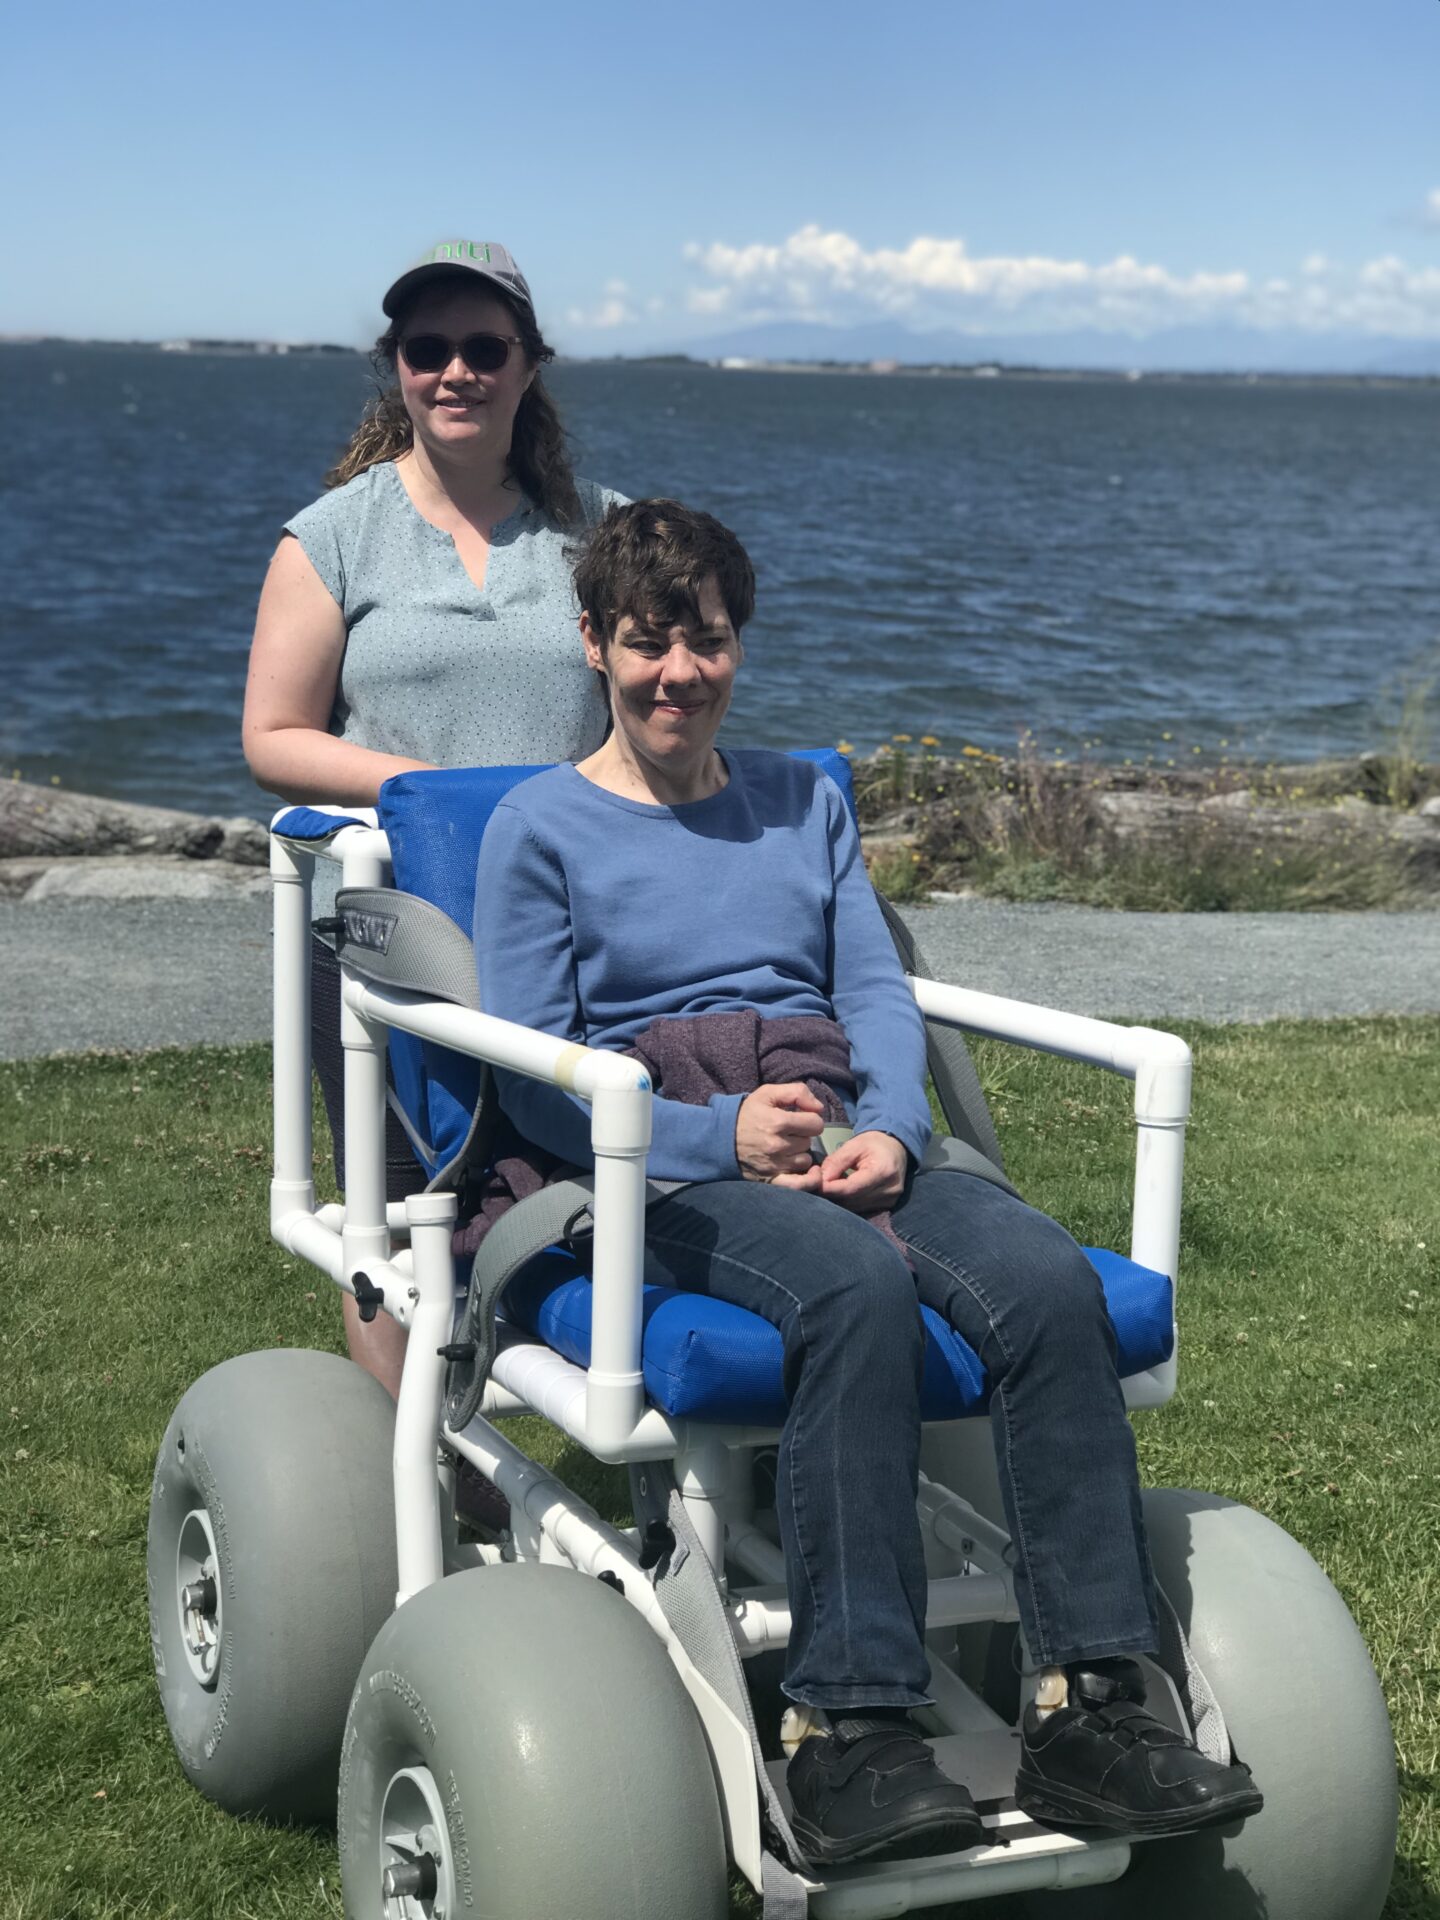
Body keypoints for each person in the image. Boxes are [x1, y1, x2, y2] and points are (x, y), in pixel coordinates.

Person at [473, 500, 1264, 1867]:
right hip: (652, 1156)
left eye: (706, 642)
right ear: (595, 645)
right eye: (648, 643)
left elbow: (872, 993)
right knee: (847, 1292)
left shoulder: (805, 804)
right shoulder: (538, 827)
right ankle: (850, 1732)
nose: (679, 674)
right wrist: (723, 1139)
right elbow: (541, 1075)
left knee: (1043, 1282)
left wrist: (891, 1129)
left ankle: (1092, 1705)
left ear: (739, 645)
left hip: (843, 1119)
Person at [242, 241, 625, 1399]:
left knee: (585, 1175)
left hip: (565, 921)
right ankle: (424, 1491)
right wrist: (430, 792)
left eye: (483, 347)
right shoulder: (334, 535)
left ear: (529, 366)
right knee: (400, 1199)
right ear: (397, 368)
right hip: (382, 923)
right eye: (428, 349)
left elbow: (657, 707)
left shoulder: (598, 532)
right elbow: (275, 737)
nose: (455, 371)